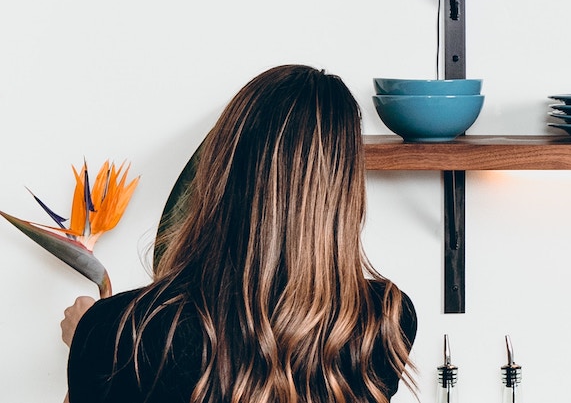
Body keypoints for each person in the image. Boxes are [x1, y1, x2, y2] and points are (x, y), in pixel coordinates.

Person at [62, 64, 418, 403]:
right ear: (345, 192)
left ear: (218, 171)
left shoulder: (121, 331)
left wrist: (87, 342)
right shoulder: (383, 321)